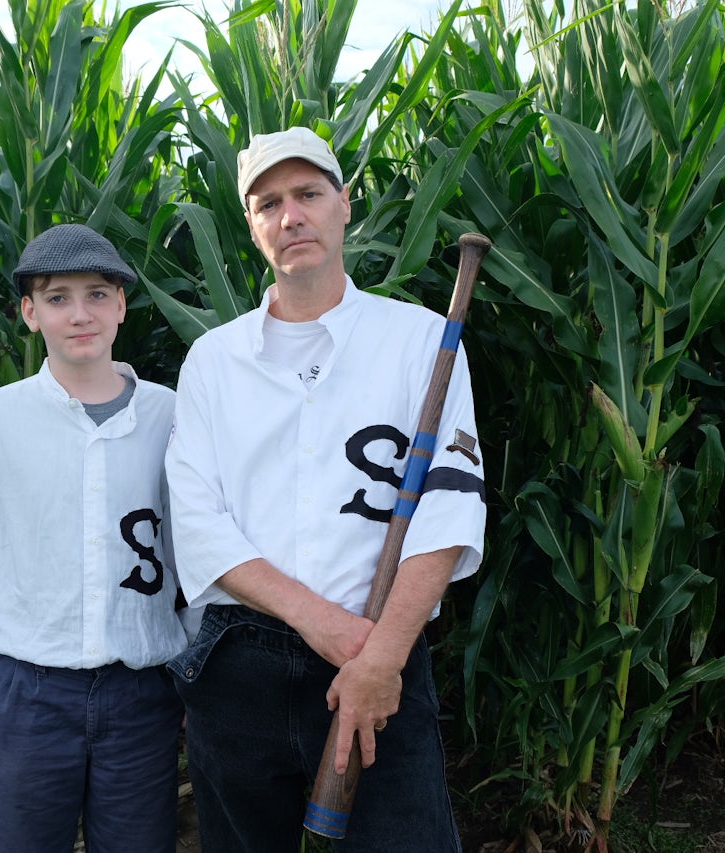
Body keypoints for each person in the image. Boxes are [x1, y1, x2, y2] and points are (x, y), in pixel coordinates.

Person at [165, 127, 487, 852]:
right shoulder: (213, 360)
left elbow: (449, 507)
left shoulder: (423, 341)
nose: (291, 216)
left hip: (380, 659)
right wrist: (326, 626)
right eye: (268, 204)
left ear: (344, 204)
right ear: (252, 226)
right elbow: (199, 524)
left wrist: (381, 658)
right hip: (238, 662)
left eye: (308, 194)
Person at [0, 224, 187, 853]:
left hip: (142, 687)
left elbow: (197, 549)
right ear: (29, 314)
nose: (79, 314)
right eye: (57, 298)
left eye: (96, 295)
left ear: (122, 305)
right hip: (26, 690)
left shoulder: (171, 415)